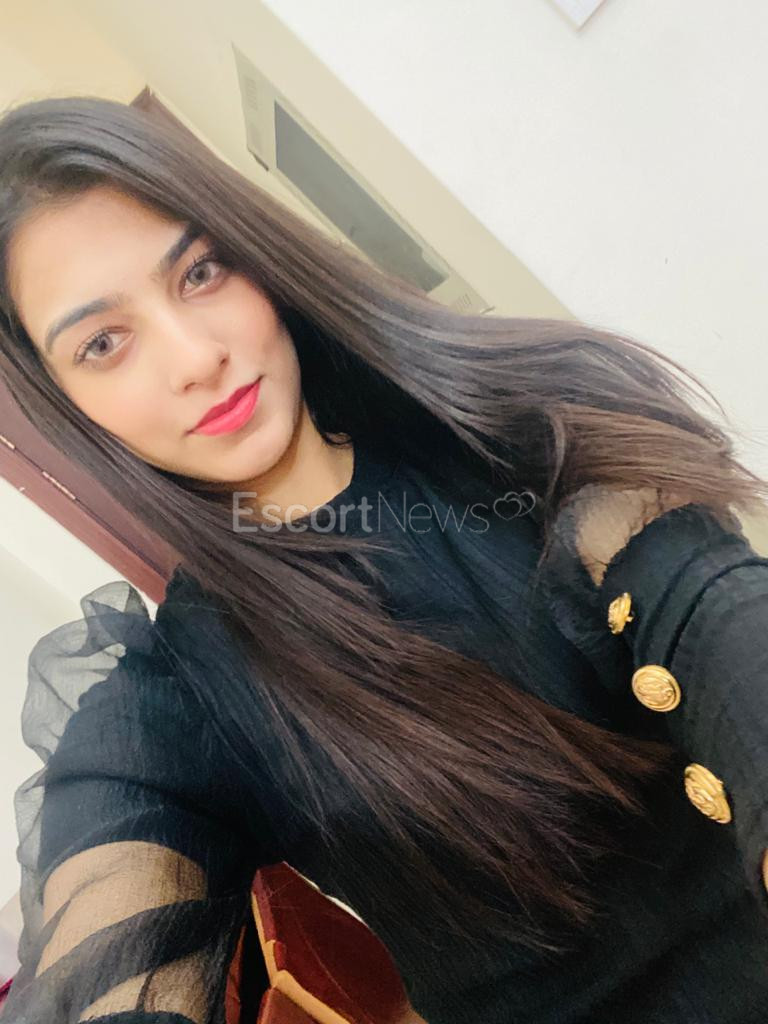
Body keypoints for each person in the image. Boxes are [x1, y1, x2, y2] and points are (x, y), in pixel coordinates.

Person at [0, 95, 767, 1024]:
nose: (195, 357)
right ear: (68, 406)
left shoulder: (522, 435)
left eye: (200, 271)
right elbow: (112, 930)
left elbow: (712, 609)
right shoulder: (172, 699)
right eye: (103, 343)